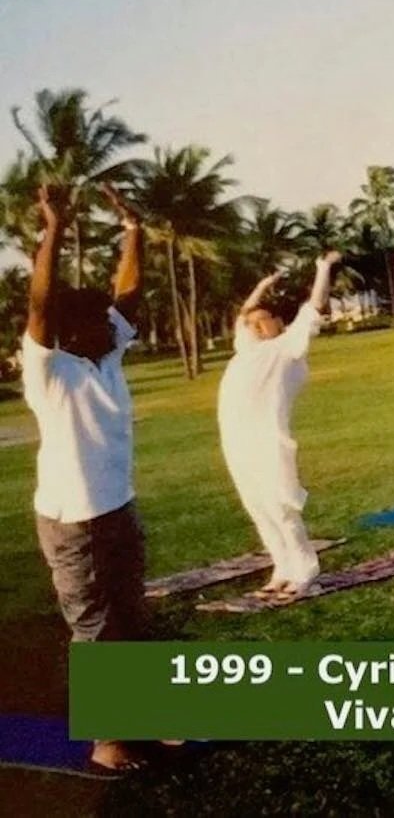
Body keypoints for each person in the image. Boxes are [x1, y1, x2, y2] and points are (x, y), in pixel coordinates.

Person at [23, 183, 150, 771]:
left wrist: (134, 232)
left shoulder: (106, 353)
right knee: (95, 627)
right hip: (74, 521)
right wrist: (53, 227)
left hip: (117, 505)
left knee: (131, 616)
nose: (111, 322)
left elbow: (130, 294)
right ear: (69, 329)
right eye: (98, 318)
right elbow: (40, 304)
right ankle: (107, 739)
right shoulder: (50, 370)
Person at [218, 251, 340, 597]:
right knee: (258, 508)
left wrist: (323, 268)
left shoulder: (287, 347)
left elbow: (315, 307)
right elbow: (244, 314)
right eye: (252, 323)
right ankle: (282, 567)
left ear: (278, 322)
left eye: (263, 320)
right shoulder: (245, 345)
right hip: (237, 442)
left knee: (281, 506)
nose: (256, 326)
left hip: (268, 441)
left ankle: (304, 570)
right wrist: (262, 286)